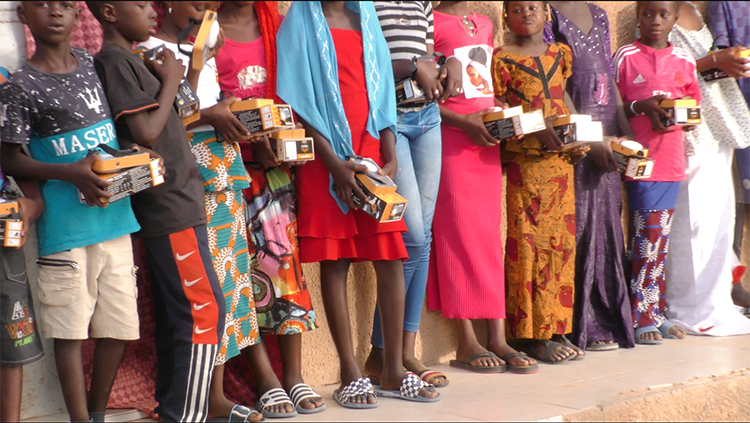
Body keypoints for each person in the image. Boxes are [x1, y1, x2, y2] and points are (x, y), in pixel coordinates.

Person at [277, 0, 439, 408]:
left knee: (389, 254)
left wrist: (389, 148)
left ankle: (392, 370)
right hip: (324, 156)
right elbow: (297, 98)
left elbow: (381, 82)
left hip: (368, 150)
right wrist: (332, 163)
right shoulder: (299, 19)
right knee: (337, 261)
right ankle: (349, 370)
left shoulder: (363, 14)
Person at [0, 2, 143, 421]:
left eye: (64, 5)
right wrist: (69, 174)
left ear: (79, 16)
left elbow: (113, 132)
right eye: (42, 5)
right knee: (70, 329)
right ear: (24, 16)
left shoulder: (89, 64)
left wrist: (134, 156)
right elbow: (10, 160)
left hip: (115, 219)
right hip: (66, 228)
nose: (55, 13)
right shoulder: (20, 85)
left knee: (119, 326)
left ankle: (96, 413)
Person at [88, 2, 226, 421]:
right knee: (204, 312)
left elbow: (177, 115)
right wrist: (169, 79)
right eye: (141, 3)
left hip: (182, 199)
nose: (153, 10)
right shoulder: (114, 61)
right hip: (168, 206)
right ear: (109, 12)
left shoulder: (134, 58)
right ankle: (186, 415)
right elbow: (146, 131)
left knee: (179, 315)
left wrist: (189, 69)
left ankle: (171, 408)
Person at [139, 2, 269, 420]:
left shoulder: (203, 42)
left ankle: (217, 391)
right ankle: (208, 396)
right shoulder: (151, 48)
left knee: (229, 280)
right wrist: (209, 106)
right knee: (205, 281)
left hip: (222, 163)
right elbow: (175, 114)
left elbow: (207, 99)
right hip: (190, 170)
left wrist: (232, 108)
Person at [214, 0, 324, 416]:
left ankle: (294, 375)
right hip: (227, 171)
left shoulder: (276, 26)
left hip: (274, 172)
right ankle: (266, 378)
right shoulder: (206, 31)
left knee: (283, 269)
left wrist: (283, 147)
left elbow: (298, 91)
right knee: (242, 276)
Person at [425, 0, 538, 375]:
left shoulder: (484, 23)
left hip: (486, 143)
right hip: (453, 140)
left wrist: (501, 113)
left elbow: (483, 84)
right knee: (456, 235)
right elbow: (424, 96)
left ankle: (497, 336)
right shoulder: (430, 20)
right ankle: (466, 340)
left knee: (490, 237)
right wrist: (463, 122)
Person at [365, 0, 461, 389]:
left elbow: (425, 54)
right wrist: (410, 67)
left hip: (428, 118)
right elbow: (364, 65)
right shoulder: (367, 4)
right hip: (393, 121)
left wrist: (446, 61)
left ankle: (403, 352)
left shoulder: (421, 2)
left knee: (424, 239)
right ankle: (380, 351)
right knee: (413, 235)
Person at [492, 0, 584, 364]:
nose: (526, 14)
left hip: (560, 164)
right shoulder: (500, 59)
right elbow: (498, 108)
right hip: (526, 163)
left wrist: (579, 137)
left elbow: (564, 99)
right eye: (517, 9)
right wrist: (537, 126)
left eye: (533, 7)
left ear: (546, 12)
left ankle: (556, 328)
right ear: (506, 17)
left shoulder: (560, 53)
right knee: (527, 248)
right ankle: (529, 336)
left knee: (560, 246)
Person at [544, 1, 636, 351]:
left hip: (609, 132)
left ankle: (608, 320)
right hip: (578, 136)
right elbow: (557, 82)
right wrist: (591, 138)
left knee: (607, 222)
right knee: (580, 223)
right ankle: (579, 325)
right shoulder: (549, 14)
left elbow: (609, 78)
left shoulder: (599, 13)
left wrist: (624, 130)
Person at [614, 0, 700, 345]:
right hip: (641, 163)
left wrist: (676, 116)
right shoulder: (625, 57)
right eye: (648, 14)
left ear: (675, 18)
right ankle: (641, 315)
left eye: (664, 15)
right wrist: (642, 108)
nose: (655, 21)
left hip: (672, 162)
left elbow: (694, 111)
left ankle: (655, 311)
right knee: (645, 237)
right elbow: (614, 105)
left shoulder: (684, 60)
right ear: (638, 16)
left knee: (658, 240)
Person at [663, 1, 750, 336]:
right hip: (691, 131)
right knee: (692, 223)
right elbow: (663, 67)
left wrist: (724, 64)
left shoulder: (691, 10)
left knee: (718, 221)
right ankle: (689, 308)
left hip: (717, 127)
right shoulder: (658, 10)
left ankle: (715, 304)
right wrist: (715, 60)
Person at [0, 65, 45, 423]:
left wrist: (27, 208)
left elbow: (29, 184)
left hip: (4, 231)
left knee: (12, 335)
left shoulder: (5, 84)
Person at [708, 1, 750, 310]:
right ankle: (731, 284)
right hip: (741, 112)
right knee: (735, 200)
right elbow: (720, 63)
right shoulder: (725, 4)